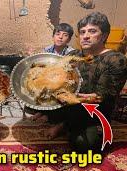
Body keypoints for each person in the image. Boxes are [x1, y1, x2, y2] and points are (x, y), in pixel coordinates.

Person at [45, 12, 127, 152]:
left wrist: (68, 98)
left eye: (92, 31)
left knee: (83, 145)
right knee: (36, 102)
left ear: (104, 35)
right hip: (71, 105)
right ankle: (65, 122)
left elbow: (102, 96)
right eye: (82, 32)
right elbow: (63, 79)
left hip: (94, 111)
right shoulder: (73, 55)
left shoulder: (115, 59)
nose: (86, 36)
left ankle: (65, 124)